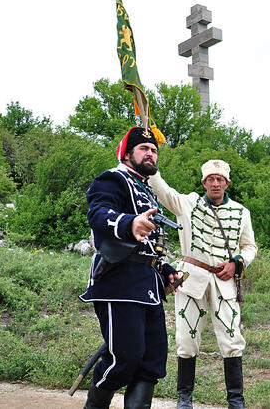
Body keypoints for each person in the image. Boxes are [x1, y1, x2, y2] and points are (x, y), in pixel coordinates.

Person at [79, 126, 180, 409]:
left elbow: (151, 246)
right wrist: (128, 223)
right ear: (127, 153)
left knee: (152, 361)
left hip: (148, 285)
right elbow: (99, 213)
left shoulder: (148, 191)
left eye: (154, 150)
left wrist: (164, 268)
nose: (150, 154)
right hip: (118, 282)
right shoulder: (113, 179)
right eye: (144, 149)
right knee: (125, 359)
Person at [149, 159, 257, 409]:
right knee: (186, 340)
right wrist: (151, 161)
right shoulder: (188, 203)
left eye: (220, 179)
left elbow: (250, 246)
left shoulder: (242, 212)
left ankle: (236, 400)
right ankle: (184, 399)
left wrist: (237, 263)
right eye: (211, 179)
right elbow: (162, 189)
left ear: (227, 183)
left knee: (232, 341)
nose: (215, 183)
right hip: (191, 278)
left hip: (224, 282)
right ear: (204, 183)